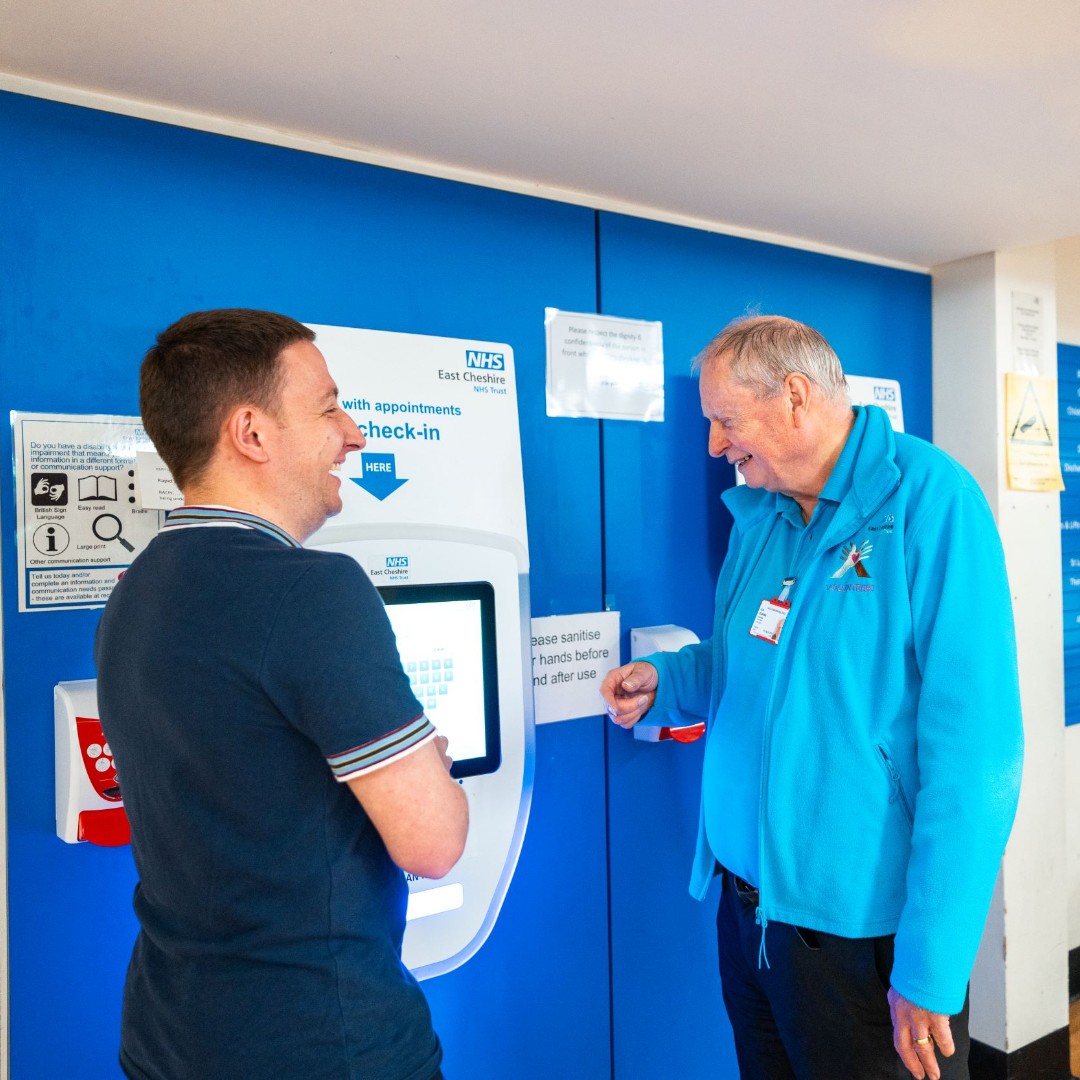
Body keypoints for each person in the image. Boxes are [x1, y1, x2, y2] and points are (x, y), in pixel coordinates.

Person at [600, 315, 1023, 1080]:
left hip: (860, 940)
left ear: (794, 396)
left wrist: (931, 968)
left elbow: (980, 760)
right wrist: (667, 683)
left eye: (726, 421)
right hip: (749, 914)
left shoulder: (930, 502)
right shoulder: (761, 517)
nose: (715, 445)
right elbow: (743, 660)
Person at [95, 309, 468, 1080]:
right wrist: (425, 759)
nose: (354, 432)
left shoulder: (137, 590)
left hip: (170, 1034)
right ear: (252, 434)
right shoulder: (312, 591)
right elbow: (433, 843)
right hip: (320, 1040)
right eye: (330, 405)